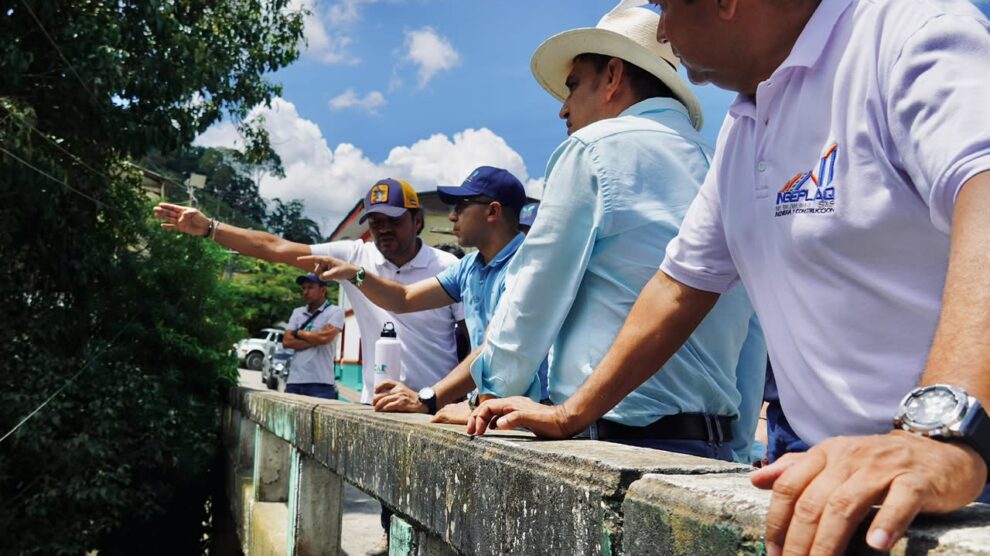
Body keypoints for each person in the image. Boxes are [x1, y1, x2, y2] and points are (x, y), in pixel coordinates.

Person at [475, 0, 990, 553]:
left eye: (667, 6)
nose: (664, 30)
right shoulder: (745, 126)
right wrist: (571, 413)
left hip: (957, 468)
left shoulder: (907, 33)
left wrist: (941, 435)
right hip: (822, 473)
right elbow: (679, 288)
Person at [466, 4, 766, 463]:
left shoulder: (591, 150)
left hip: (608, 439)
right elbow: (751, 330)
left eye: (572, 85)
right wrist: (737, 448)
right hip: (712, 448)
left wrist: (491, 398)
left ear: (612, 76)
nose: (563, 108)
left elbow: (534, 292)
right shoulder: (726, 163)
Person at [155, 178, 465, 555]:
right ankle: (390, 536)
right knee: (394, 497)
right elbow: (276, 248)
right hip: (383, 405)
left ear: (417, 221)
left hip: (435, 404)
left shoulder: (448, 267)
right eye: (375, 222)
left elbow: (467, 338)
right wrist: (210, 228)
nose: (383, 229)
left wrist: (449, 397)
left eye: (393, 220)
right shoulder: (355, 255)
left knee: (440, 510)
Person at [301, 166, 549, 425]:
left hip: (530, 413)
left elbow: (494, 348)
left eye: (461, 205)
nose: (452, 216)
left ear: (493, 211)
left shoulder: (527, 266)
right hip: (494, 409)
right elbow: (404, 298)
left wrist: (428, 399)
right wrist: (356, 274)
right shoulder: (469, 266)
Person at [280, 273, 344, 399]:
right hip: (295, 381)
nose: (305, 292)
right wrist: (317, 338)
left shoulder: (336, 311)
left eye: (310, 287)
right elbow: (287, 342)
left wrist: (298, 333)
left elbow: (325, 338)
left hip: (321, 382)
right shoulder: (297, 312)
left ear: (323, 290)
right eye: (304, 288)